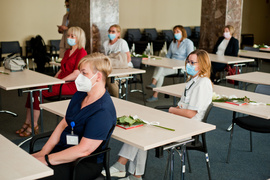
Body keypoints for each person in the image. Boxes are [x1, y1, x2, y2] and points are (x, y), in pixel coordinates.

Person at [104, 49, 212, 180]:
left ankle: (126, 169)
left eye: (192, 62)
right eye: (187, 61)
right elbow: (183, 106)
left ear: (202, 64)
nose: (188, 64)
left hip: (188, 128)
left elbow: (190, 113)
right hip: (179, 122)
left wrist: (172, 111)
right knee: (141, 128)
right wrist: (174, 112)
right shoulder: (192, 81)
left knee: (143, 132)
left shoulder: (203, 83)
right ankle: (131, 173)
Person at [32, 53, 117, 180]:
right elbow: (64, 124)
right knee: (23, 166)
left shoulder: (103, 111)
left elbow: (84, 150)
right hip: (62, 151)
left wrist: (46, 159)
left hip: (83, 162)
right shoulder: (80, 95)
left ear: (98, 76)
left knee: (34, 175)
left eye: (84, 73)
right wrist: (44, 151)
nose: (79, 77)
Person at [16, 26, 87, 137]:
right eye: (68, 35)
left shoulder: (81, 52)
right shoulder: (68, 51)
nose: (69, 37)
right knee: (32, 89)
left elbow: (76, 73)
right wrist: (53, 79)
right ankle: (27, 122)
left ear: (79, 38)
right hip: (62, 81)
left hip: (72, 84)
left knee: (38, 91)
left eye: (72, 36)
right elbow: (61, 69)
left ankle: (34, 125)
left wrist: (59, 81)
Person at [146, 25, 194, 102]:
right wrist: (164, 61)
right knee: (160, 67)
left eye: (177, 31)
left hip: (181, 67)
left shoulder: (188, 43)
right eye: (174, 32)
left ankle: (154, 86)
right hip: (171, 64)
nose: (175, 33)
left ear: (183, 32)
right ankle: (155, 92)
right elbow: (168, 55)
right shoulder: (173, 42)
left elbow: (190, 57)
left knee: (160, 71)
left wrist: (179, 63)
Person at [103, 24, 132, 98]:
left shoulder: (122, 42)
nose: (110, 33)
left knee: (111, 81)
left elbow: (128, 59)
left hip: (125, 68)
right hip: (111, 68)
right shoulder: (105, 44)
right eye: (109, 31)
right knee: (100, 79)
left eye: (113, 32)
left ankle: (117, 101)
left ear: (118, 33)